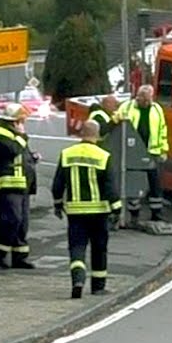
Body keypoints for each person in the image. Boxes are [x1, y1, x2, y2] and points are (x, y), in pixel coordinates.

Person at [51, 119, 121, 299]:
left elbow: (58, 184)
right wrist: (116, 209)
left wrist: (58, 204)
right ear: (97, 136)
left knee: (77, 247)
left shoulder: (67, 154)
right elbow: (110, 187)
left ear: (81, 134)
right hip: (99, 212)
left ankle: (78, 280)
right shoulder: (103, 156)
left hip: (75, 212)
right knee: (99, 248)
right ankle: (98, 287)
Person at [0, 104, 36, 269]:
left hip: (22, 185)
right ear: (14, 121)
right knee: (12, 220)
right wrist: (22, 136)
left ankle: (20, 257)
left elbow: (22, 154)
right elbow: (14, 150)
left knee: (22, 223)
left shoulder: (16, 135)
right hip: (7, 185)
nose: (24, 122)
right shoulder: (0, 134)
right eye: (21, 119)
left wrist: (32, 157)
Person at [118, 84, 168, 223]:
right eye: (143, 99)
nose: (146, 102)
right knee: (134, 183)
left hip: (152, 152)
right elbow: (117, 124)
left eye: (148, 99)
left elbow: (163, 130)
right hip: (133, 153)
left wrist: (163, 150)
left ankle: (156, 213)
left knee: (155, 184)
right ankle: (134, 214)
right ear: (137, 97)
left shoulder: (157, 109)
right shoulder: (127, 108)